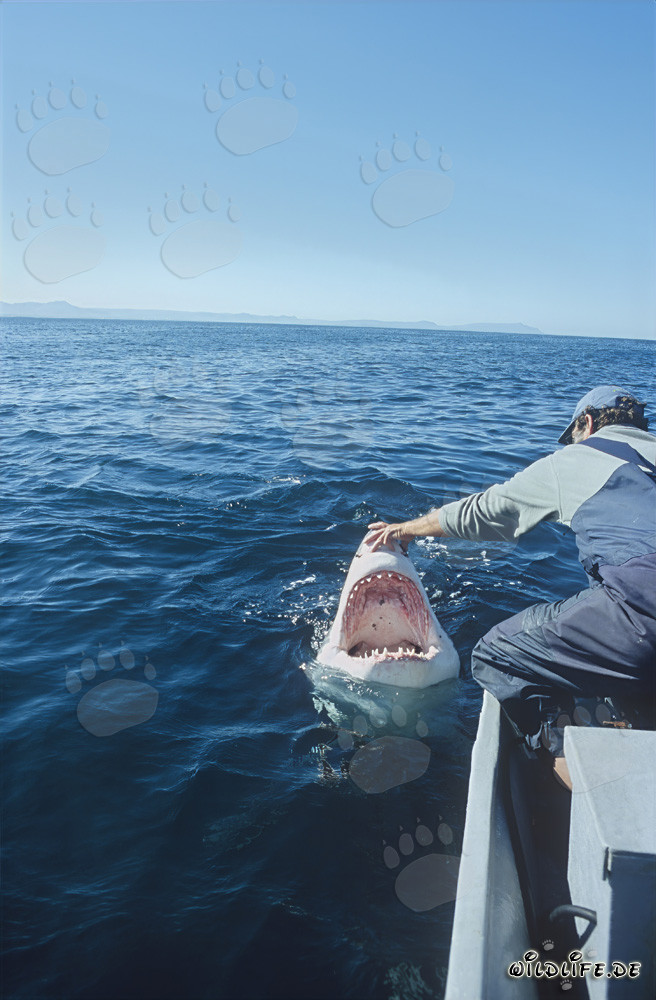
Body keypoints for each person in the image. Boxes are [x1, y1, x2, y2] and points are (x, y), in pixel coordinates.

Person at [367, 385, 656, 755]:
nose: (570, 445)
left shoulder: (578, 459)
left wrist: (403, 530)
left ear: (587, 423)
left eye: (572, 437)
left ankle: (568, 769)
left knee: (495, 653)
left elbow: (485, 512)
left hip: (642, 609)